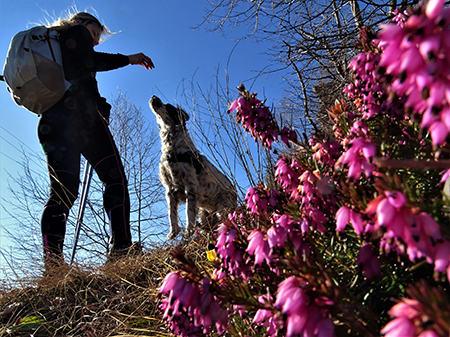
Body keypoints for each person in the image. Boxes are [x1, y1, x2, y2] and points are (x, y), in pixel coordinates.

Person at [37, 11, 154, 266]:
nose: (94, 41)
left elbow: (81, 76)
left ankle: (53, 265)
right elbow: (91, 61)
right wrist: (129, 59)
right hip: (82, 120)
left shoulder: (56, 48)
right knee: (115, 180)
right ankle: (121, 248)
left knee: (62, 192)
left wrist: (100, 103)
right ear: (81, 22)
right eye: (94, 34)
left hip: (52, 122)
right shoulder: (75, 32)